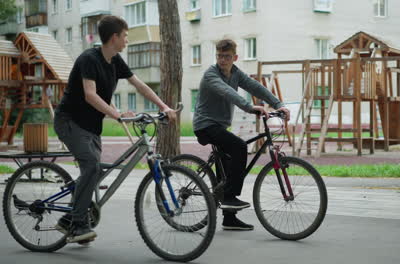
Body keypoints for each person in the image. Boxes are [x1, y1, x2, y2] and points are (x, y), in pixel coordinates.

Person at [53, 15, 176, 243]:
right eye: (125, 36)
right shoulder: (89, 59)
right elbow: (90, 94)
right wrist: (117, 114)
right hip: (69, 121)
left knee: (95, 170)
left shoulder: (115, 60)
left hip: (90, 126)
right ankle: (77, 224)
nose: (127, 40)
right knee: (91, 165)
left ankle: (69, 219)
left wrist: (164, 106)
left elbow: (139, 85)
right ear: (114, 37)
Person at [193, 39, 290, 231]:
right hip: (205, 125)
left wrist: (278, 104)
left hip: (220, 127)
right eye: (219, 56)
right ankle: (229, 197)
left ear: (235, 57)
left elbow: (255, 87)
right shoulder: (211, 74)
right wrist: (249, 106)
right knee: (239, 146)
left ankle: (229, 218)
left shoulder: (236, 73)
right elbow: (228, 92)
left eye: (227, 57)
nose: (222, 60)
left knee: (228, 167)